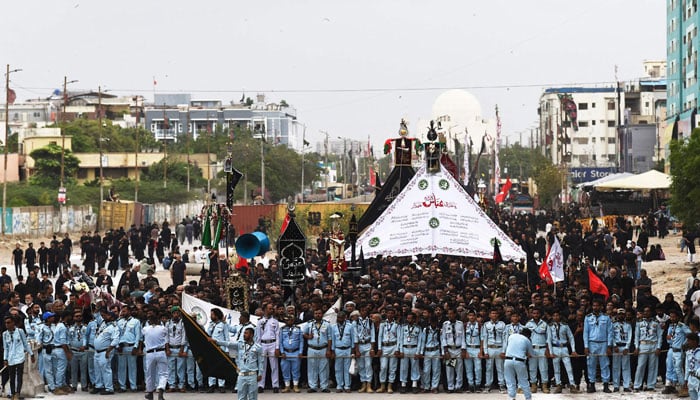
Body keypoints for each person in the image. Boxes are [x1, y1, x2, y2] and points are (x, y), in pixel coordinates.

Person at [583, 298, 613, 393]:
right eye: (594, 305)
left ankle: (606, 385)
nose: (595, 307)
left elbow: (610, 332)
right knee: (591, 364)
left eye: (597, 305)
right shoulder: (588, 318)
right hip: (592, 343)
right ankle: (592, 384)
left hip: (603, 343)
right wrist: (586, 346)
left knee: (605, 364)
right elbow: (585, 333)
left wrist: (609, 346)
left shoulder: (606, 317)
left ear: (601, 307)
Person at [547, 309, 579, 393]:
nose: (556, 317)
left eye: (557, 315)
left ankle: (572, 384)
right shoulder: (550, 326)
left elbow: (571, 337)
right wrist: (550, 352)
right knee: (556, 368)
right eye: (554, 316)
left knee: (568, 367)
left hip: (564, 348)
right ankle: (558, 385)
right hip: (555, 348)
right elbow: (549, 340)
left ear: (560, 316)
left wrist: (573, 350)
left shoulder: (565, 325)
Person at [3, 315, 34, 400]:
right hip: (11, 358)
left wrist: (31, 354)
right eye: (6, 323)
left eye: (8, 322)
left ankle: (17, 393)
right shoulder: (5, 334)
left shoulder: (20, 331)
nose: (7, 324)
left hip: (20, 357)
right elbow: (6, 348)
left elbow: (25, 344)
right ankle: (12, 393)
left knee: (19, 376)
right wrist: (5, 358)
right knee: (12, 376)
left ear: (13, 323)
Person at [141, 307, 168, 400]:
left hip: (150, 353)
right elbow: (166, 339)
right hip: (161, 352)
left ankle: (150, 392)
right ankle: (160, 389)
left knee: (149, 374)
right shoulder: (163, 328)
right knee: (163, 373)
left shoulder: (145, 329)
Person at [90, 309, 119, 395]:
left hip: (105, 351)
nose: (105, 316)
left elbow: (115, 340)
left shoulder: (114, 327)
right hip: (97, 351)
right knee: (97, 369)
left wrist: (108, 351)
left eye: (107, 315)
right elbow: (96, 315)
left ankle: (109, 388)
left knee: (106, 369)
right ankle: (99, 386)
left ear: (112, 317)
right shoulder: (103, 324)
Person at [633, 305, 662, 391]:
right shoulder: (639, 323)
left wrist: (659, 347)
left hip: (653, 345)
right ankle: (637, 385)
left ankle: (650, 385)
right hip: (643, 345)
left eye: (648, 311)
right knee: (640, 366)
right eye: (645, 311)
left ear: (651, 312)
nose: (646, 313)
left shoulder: (656, 323)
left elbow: (659, 336)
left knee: (652, 366)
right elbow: (636, 336)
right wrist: (637, 347)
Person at [302, 308, 331, 393]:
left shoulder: (327, 324)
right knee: (312, 368)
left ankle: (324, 386)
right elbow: (303, 333)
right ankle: (313, 386)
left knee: (324, 368)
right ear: (314, 314)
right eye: (316, 313)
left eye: (319, 313)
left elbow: (329, 338)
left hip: (323, 348)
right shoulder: (309, 324)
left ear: (322, 314)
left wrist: (329, 350)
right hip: (312, 348)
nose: (318, 315)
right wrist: (308, 337)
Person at [663, 308, 691, 396]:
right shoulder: (671, 327)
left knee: (678, 369)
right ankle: (669, 385)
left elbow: (690, 335)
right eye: (671, 317)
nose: (672, 318)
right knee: (669, 366)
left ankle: (683, 387)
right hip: (671, 348)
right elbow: (670, 340)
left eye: (674, 317)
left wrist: (685, 343)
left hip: (679, 350)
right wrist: (669, 339)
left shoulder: (682, 326)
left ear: (678, 317)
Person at [503, 327, 534, 400]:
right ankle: (528, 398)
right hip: (519, 361)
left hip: (508, 360)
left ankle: (511, 397)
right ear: (528, 335)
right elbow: (531, 354)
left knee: (510, 380)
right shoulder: (527, 340)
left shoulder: (511, 336)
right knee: (523, 380)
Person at [255, 303, 279, 393]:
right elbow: (258, 336)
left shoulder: (275, 321)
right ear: (265, 310)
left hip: (272, 343)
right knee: (262, 366)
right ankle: (261, 385)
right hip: (263, 344)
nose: (271, 310)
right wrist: (257, 348)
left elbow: (277, 335)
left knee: (274, 366)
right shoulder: (260, 321)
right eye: (269, 308)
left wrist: (277, 347)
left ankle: (275, 385)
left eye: (272, 308)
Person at [525, 307, 549, 393]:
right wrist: (527, 350)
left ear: (540, 314)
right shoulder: (528, 324)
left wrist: (547, 349)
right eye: (534, 313)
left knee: (543, 368)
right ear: (531, 314)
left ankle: (544, 385)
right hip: (532, 349)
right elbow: (526, 338)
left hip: (542, 348)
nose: (535, 315)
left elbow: (548, 338)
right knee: (532, 368)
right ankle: (533, 385)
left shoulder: (544, 324)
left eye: (537, 313)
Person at [116, 306, 141, 392]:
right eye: (122, 311)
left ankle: (133, 386)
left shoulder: (136, 321)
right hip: (121, 347)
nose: (123, 313)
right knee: (121, 367)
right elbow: (116, 335)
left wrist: (136, 347)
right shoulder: (119, 322)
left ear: (129, 311)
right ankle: (122, 386)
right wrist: (117, 346)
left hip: (131, 346)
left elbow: (138, 335)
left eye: (125, 311)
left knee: (132, 367)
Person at [481, 308, 506, 393]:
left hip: (499, 347)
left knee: (500, 368)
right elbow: (484, 338)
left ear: (498, 315)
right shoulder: (486, 325)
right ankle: (488, 385)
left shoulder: (502, 324)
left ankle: (502, 385)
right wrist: (485, 352)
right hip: (490, 348)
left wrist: (503, 351)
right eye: (492, 313)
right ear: (489, 315)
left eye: (495, 313)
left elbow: (504, 339)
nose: (494, 315)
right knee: (489, 368)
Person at [234, 327, 263, 400]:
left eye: (246, 333)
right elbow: (228, 344)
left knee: (253, 397)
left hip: (252, 375)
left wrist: (260, 374)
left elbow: (261, 362)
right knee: (241, 397)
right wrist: (216, 341)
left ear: (252, 335)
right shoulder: (240, 345)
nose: (244, 335)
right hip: (242, 375)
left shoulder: (258, 347)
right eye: (244, 333)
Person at [377, 307, 400, 393]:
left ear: (394, 314)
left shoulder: (397, 324)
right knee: (383, 367)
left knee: (392, 368)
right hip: (384, 347)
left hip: (393, 346)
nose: (390, 314)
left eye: (392, 313)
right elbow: (379, 336)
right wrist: (379, 348)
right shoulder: (383, 323)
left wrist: (397, 349)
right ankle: (382, 385)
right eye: (388, 313)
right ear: (386, 314)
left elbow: (399, 337)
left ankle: (390, 385)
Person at [441, 308, 464, 393]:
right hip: (450, 350)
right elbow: (443, 338)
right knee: (450, 369)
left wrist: (463, 349)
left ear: (455, 314)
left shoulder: (460, 324)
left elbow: (463, 337)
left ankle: (458, 386)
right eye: (448, 314)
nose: (450, 315)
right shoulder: (445, 324)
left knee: (459, 369)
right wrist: (445, 351)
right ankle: (450, 387)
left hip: (458, 349)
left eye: (451, 314)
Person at [278, 313, 303, 393]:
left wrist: (300, 352)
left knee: (296, 369)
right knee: (285, 369)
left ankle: (295, 386)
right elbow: (280, 342)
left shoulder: (298, 329)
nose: (289, 321)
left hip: (295, 352)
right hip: (285, 352)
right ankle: (287, 386)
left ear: (293, 320)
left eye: (291, 319)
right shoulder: (282, 329)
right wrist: (282, 352)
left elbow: (301, 342)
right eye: (287, 320)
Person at [206, 308, 229, 393]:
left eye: (212, 314)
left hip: (220, 348)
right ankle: (211, 385)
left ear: (216, 315)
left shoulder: (223, 325)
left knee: (221, 367)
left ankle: (221, 385)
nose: (210, 316)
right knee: (211, 366)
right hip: (211, 348)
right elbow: (207, 335)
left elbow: (227, 338)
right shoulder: (210, 324)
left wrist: (226, 350)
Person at [398, 311, 421, 393]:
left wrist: (418, 352)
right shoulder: (403, 327)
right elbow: (400, 339)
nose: (409, 319)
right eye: (408, 318)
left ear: (414, 319)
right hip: (405, 348)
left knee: (415, 367)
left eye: (411, 318)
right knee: (404, 367)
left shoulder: (418, 328)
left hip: (414, 348)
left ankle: (414, 384)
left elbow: (420, 341)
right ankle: (403, 384)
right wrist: (400, 350)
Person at [353, 304, 375, 393]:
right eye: (362, 310)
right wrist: (357, 350)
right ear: (359, 312)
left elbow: (373, 335)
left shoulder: (370, 321)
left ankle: (369, 384)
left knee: (368, 365)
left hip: (368, 344)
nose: (363, 312)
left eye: (365, 310)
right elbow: (355, 336)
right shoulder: (356, 322)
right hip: (360, 345)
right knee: (361, 366)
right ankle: (363, 384)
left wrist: (372, 348)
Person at [165, 307, 186, 393]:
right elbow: (166, 337)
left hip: (179, 348)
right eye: (174, 313)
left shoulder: (182, 323)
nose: (176, 315)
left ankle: (181, 385)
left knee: (180, 368)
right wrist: (167, 349)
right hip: (170, 348)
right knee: (171, 368)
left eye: (177, 313)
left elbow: (184, 337)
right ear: (172, 314)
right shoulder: (167, 323)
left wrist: (181, 349)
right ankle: (172, 385)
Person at [420, 315, 441, 393]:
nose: (433, 324)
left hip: (436, 350)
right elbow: (423, 341)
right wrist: (421, 352)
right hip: (427, 351)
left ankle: (434, 386)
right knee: (426, 370)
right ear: (430, 322)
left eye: (435, 322)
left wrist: (442, 352)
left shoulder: (439, 330)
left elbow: (441, 341)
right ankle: (426, 386)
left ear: (436, 322)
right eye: (432, 322)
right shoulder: (426, 330)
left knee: (436, 370)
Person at [68, 310, 88, 392]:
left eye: (79, 316)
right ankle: (74, 385)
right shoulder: (70, 328)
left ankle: (84, 385)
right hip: (73, 351)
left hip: (83, 351)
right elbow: (69, 339)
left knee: (83, 369)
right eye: (76, 316)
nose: (78, 317)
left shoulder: (85, 328)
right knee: (73, 369)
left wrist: (84, 345)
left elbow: (86, 338)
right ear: (73, 318)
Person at [463, 309, 482, 393]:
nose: (471, 317)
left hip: (477, 348)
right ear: (467, 316)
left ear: (475, 316)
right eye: (470, 315)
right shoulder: (465, 325)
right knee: (468, 368)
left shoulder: (480, 325)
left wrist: (481, 351)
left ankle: (478, 385)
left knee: (478, 368)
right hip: (468, 348)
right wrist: (464, 350)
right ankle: (470, 385)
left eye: (473, 315)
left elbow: (482, 339)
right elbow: (463, 338)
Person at [685, 332, 700, 400]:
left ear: (694, 341)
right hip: (691, 378)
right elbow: (687, 366)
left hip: (698, 379)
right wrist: (686, 379)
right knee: (693, 397)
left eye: (689, 341)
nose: (687, 342)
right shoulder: (688, 353)